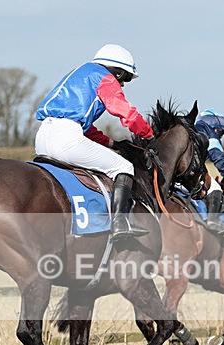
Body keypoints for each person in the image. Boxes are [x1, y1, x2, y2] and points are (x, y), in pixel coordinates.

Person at [34, 44, 157, 240]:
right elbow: (125, 112)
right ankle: (119, 223)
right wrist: (149, 135)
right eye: (125, 78)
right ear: (117, 72)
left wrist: (112, 144)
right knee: (123, 167)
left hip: (43, 137)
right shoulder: (105, 77)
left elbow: (85, 127)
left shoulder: (80, 73)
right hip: (66, 138)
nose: (123, 84)